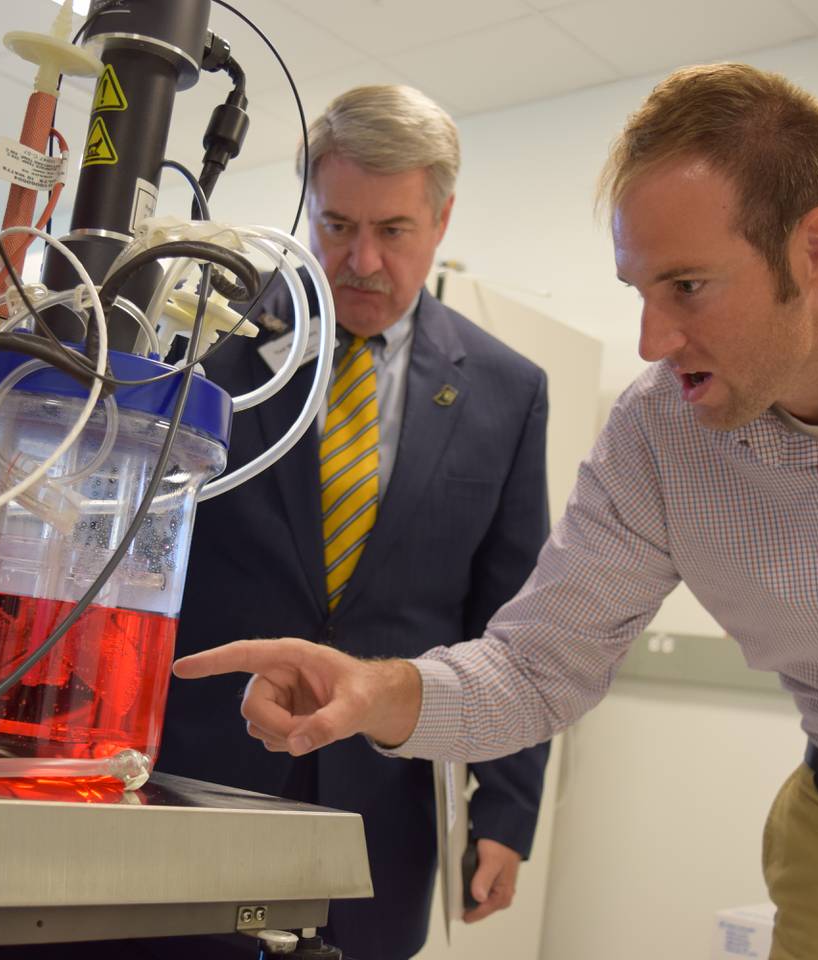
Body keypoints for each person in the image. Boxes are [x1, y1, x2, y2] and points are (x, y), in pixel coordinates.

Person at [173, 62, 818, 959]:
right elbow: (539, 662)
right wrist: (376, 693)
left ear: (817, 247)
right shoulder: (659, 438)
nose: (651, 340)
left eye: (687, 286)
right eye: (638, 289)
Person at [158, 84, 552, 960]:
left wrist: (508, 811)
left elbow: (513, 622)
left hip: (379, 802)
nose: (361, 261)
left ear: (442, 219)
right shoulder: (207, 345)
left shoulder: (507, 391)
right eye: (336, 226)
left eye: (394, 231)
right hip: (198, 779)